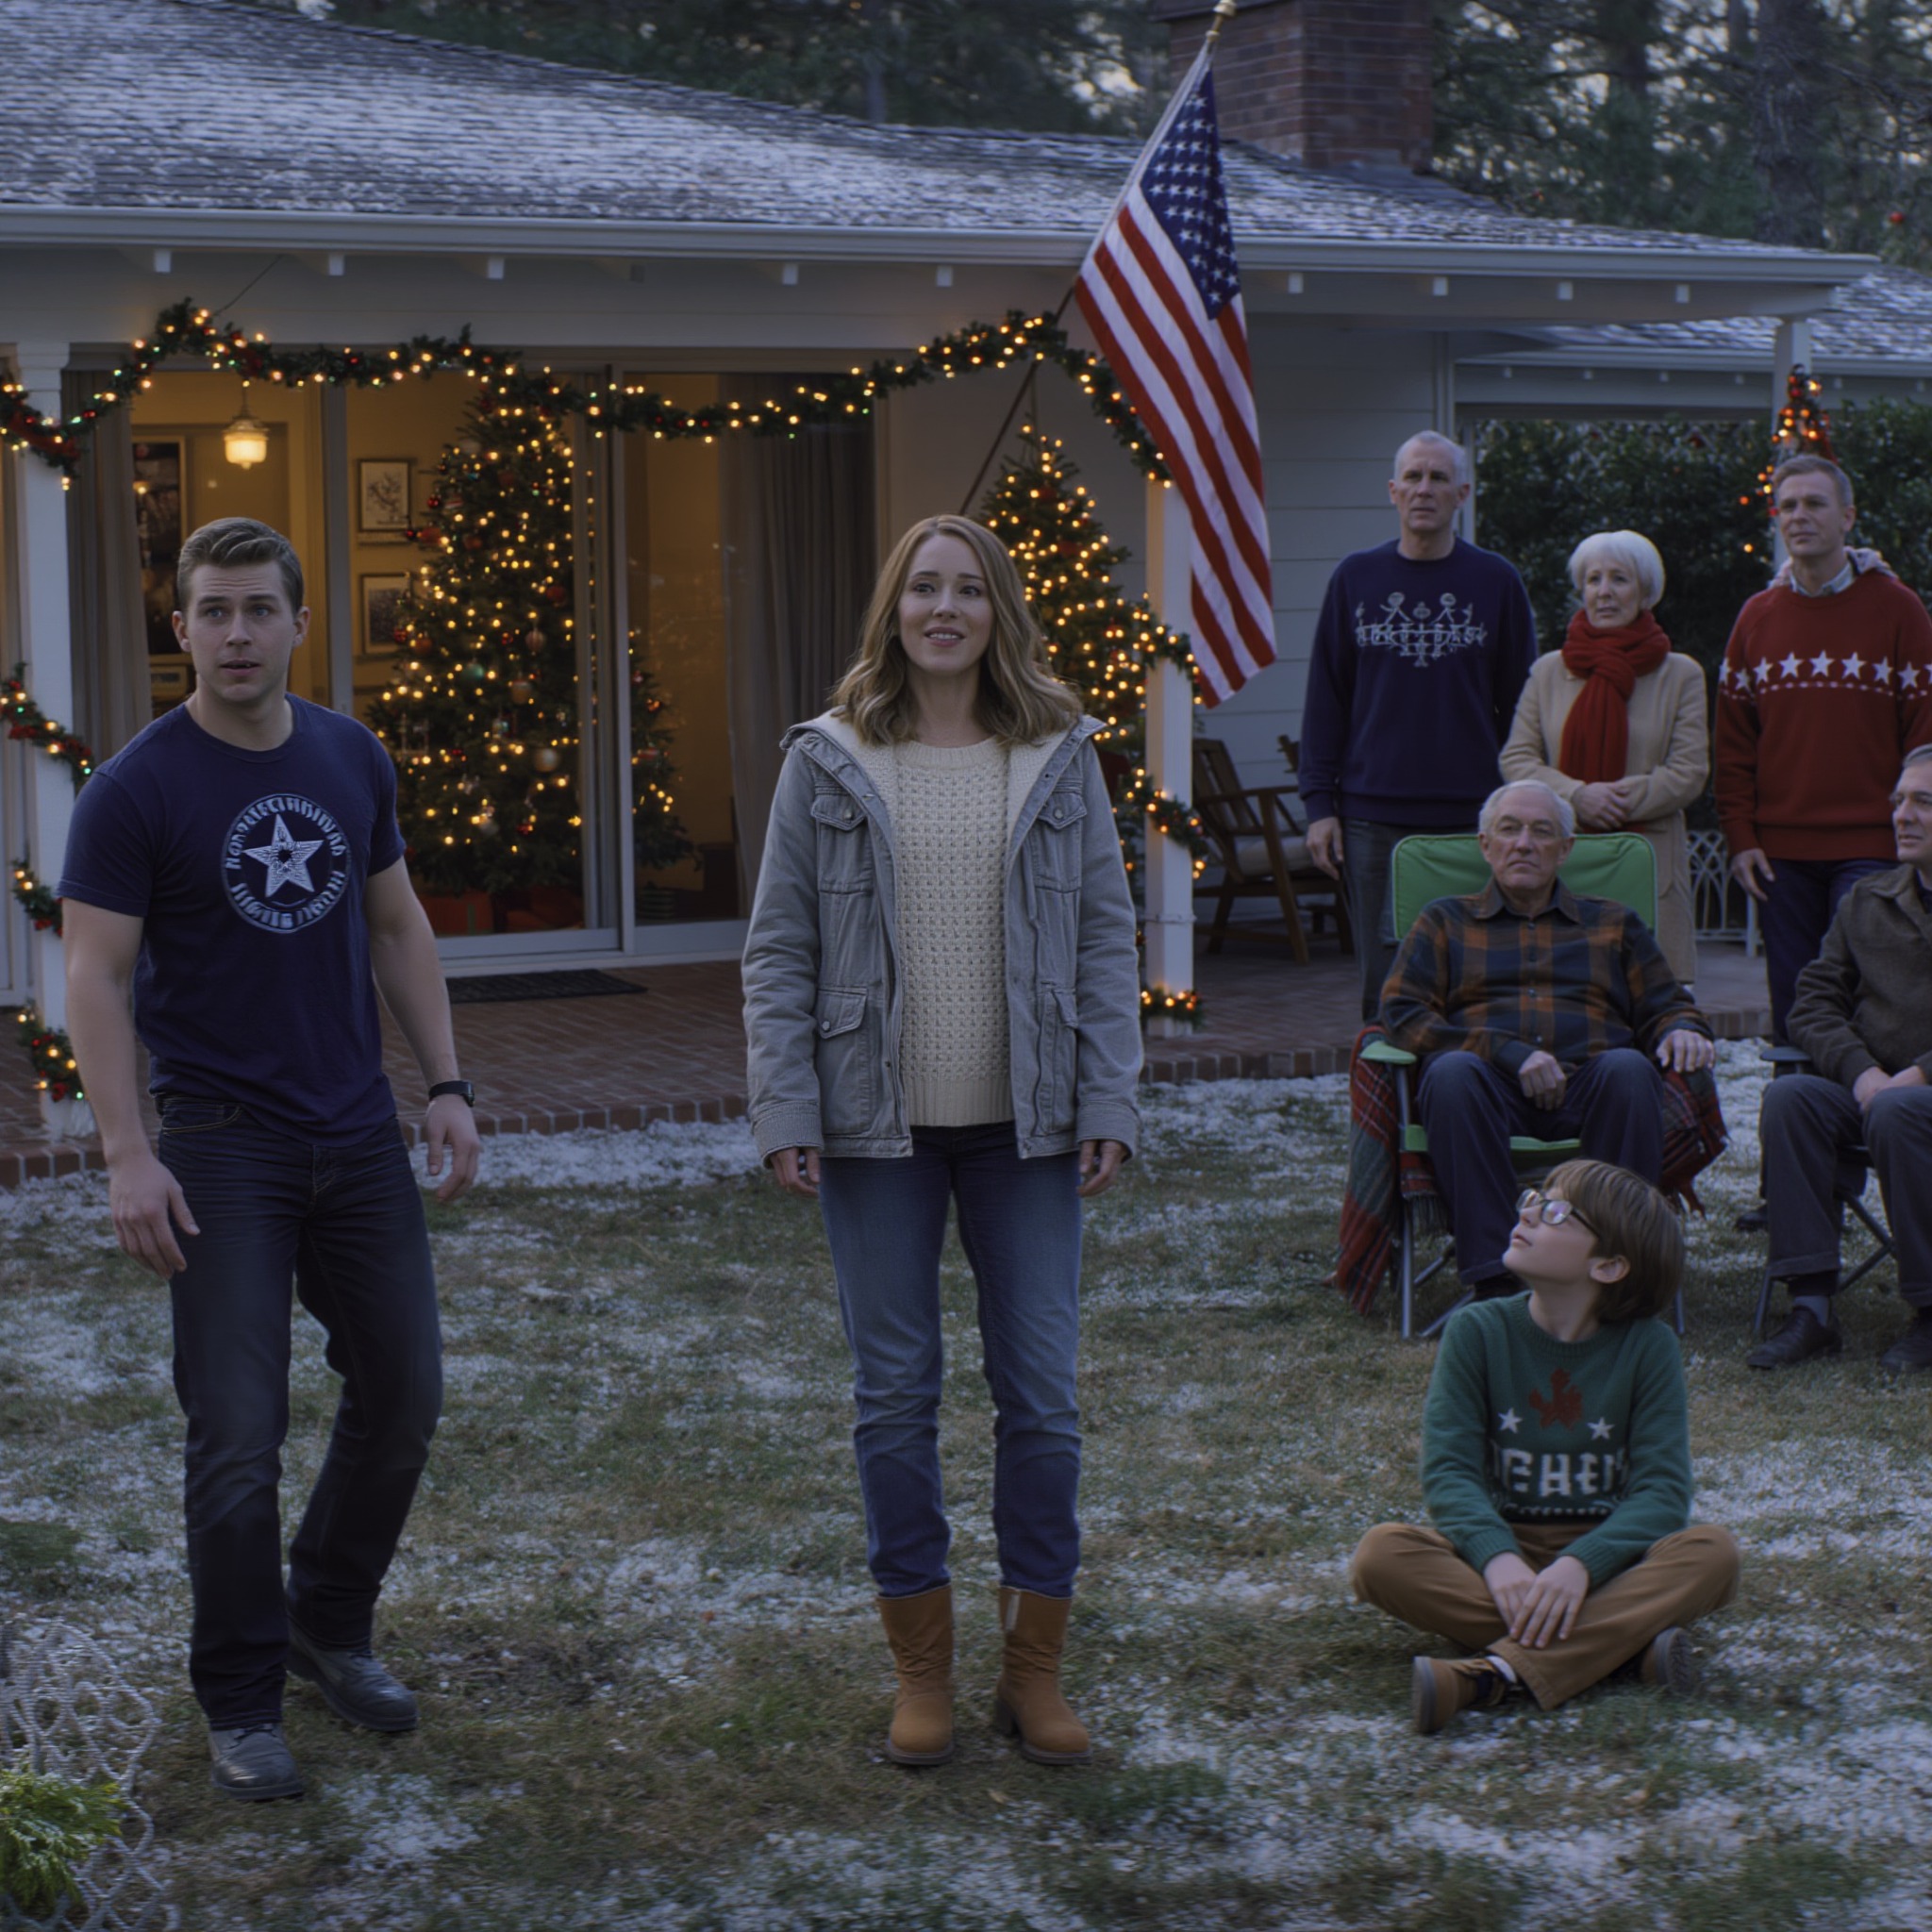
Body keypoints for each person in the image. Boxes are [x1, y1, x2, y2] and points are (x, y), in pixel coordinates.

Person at [58, 517, 480, 1802]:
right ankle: (240, 1698)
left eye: (258, 609)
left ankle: (326, 1623)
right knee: (237, 1432)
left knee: (403, 1393)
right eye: (213, 610)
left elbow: (396, 926)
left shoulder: (352, 756)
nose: (236, 633)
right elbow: (95, 974)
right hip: (219, 1149)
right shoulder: (135, 788)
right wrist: (126, 1153)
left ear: (300, 621)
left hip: (354, 1134)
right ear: (180, 626)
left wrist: (445, 1084)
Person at [741, 514, 1141, 1768]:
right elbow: (779, 947)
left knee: (1043, 1401)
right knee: (893, 1401)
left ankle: (1033, 1674)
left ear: (998, 612)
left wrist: (1109, 1098)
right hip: (878, 1132)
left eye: (969, 589)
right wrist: (786, 1107)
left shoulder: (1059, 755)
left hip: (1028, 1129)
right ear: (894, 608)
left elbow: (1104, 937)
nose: (945, 609)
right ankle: (922, 1672)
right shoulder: (829, 758)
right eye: (924, 588)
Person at [1351, 1160, 1741, 1734]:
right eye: (1535, 1198)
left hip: (1610, 1565)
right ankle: (1625, 1650)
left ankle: (1489, 1676)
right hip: (1500, 1562)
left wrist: (1581, 1564)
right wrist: (1498, 1558)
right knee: (1380, 1555)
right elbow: (1450, 1471)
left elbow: (1662, 1494)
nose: (1530, 1212)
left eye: (1557, 1212)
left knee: (1714, 1554)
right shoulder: (1477, 1331)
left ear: (1608, 1266)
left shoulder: (1648, 1347)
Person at [1378, 780, 1715, 1300]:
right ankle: (1495, 1281)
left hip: (1592, 1089)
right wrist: (1507, 1052)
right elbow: (1401, 1014)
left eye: (1541, 831)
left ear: (1565, 848)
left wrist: (1680, 1029)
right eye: (1509, 830)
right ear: (1485, 845)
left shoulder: (1614, 922)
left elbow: (1667, 1003)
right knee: (1450, 1073)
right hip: (1485, 1093)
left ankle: (1611, 1267)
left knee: (1630, 1069)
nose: (1524, 844)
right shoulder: (1444, 920)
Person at [1300, 431, 1539, 1021]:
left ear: (1462, 493)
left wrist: (1521, 803)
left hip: (1474, 816)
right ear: (1393, 490)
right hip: (1371, 816)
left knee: (1474, 973)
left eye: (1437, 478)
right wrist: (1319, 805)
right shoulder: (1355, 579)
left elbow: (1523, 708)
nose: (1424, 489)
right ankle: (1383, 1080)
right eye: (1413, 477)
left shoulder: (1497, 581)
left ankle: (1467, 1078)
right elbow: (1326, 700)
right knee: (1385, 983)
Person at [1716, 454, 1932, 1042]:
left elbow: (1925, 737)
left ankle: (1875, 1100)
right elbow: (1733, 742)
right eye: (1787, 506)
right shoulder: (1756, 617)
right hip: (1779, 854)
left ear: (1848, 517)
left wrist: (1914, 823)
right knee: (1794, 1005)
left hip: (1874, 846)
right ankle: (1798, 1100)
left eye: (1814, 503)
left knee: (1872, 1000)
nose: (1799, 516)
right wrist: (1740, 837)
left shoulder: (1898, 609)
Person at [1748, 745, 1932, 1371]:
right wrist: (1862, 1072)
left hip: (1910, 1103)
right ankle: (1812, 1307)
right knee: (1791, 1098)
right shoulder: (1866, 900)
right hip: (1877, 1094)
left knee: (1900, 1112)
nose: (1902, 815)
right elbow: (1812, 1005)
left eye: (1923, 802)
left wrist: (1918, 1075)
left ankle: (1930, 1310)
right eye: (1898, 801)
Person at [1500, 530, 1707, 985]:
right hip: (1564, 859)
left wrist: (1613, 801)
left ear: (1646, 592)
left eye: (1619, 579)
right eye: (1594, 580)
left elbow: (1689, 772)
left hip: (1648, 863)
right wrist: (1576, 797)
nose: (1605, 591)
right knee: (1563, 995)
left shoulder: (1681, 674)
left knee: (1651, 998)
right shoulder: (1549, 671)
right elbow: (1517, 759)